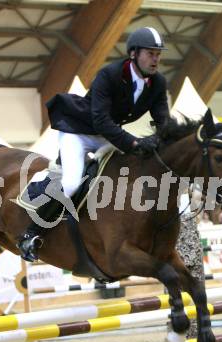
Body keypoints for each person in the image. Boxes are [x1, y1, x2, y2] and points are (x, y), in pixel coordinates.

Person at [18, 26, 171, 262]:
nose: (155, 59)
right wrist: (133, 142)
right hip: (79, 133)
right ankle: (31, 234)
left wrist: (158, 138)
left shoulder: (158, 82)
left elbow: (163, 121)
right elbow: (100, 120)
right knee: (70, 184)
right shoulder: (109, 74)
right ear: (133, 54)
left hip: (107, 135)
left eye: (158, 54)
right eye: (150, 53)